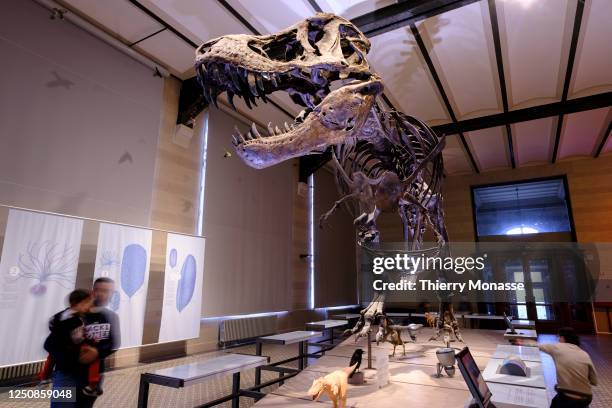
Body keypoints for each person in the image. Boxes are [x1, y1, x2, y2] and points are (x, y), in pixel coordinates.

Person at [43, 289, 101, 407]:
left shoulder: (80, 318)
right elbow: (50, 344)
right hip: (66, 372)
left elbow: (80, 337)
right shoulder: (64, 319)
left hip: (78, 372)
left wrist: (89, 341)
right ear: (75, 304)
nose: (89, 305)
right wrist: (69, 355)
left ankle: (92, 386)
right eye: (86, 302)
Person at [521, 327, 598, 408]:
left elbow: (537, 345)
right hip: (586, 397)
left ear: (563, 338)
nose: (558, 340)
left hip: (568, 396)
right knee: (556, 401)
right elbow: (594, 381)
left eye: (559, 337)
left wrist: (520, 341)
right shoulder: (584, 354)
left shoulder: (557, 347)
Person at [83, 277, 121, 393]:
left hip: (95, 374)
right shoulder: (77, 313)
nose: (102, 294)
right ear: (93, 290)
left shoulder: (111, 317)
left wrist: (97, 353)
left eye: (108, 291)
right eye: (99, 290)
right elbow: (51, 344)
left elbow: (114, 344)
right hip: (68, 375)